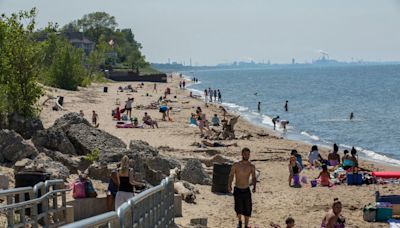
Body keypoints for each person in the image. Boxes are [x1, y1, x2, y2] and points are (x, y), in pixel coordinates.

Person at [228, 148, 256, 228]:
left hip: (246, 189)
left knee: (248, 209)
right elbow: (231, 175)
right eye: (245, 154)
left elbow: (254, 177)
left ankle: (246, 225)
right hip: (237, 189)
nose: (247, 155)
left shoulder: (251, 166)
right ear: (242, 154)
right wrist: (229, 185)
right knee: (238, 209)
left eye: (248, 154)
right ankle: (240, 221)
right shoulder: (236, 165)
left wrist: (254, 187)